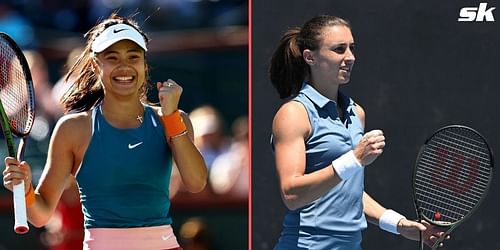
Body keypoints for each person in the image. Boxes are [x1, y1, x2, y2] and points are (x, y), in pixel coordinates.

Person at [2, 13, 207, 250]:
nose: (124, 67)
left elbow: (196, 182)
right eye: (112, 57)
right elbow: (41, 214)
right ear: (95, 65)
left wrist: (171, 118)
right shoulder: (73, 129)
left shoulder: (173, 120)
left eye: (133, 57)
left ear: (144, 63)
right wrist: (26, 189)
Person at [268, 15, 449, 249]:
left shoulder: (356, 113)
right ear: (309, 57)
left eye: (351, 48)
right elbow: (291, 195)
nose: (350, 58)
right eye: (338, 49)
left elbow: (348, 191)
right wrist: (354, 158)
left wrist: (399, 224)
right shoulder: (294, 114)